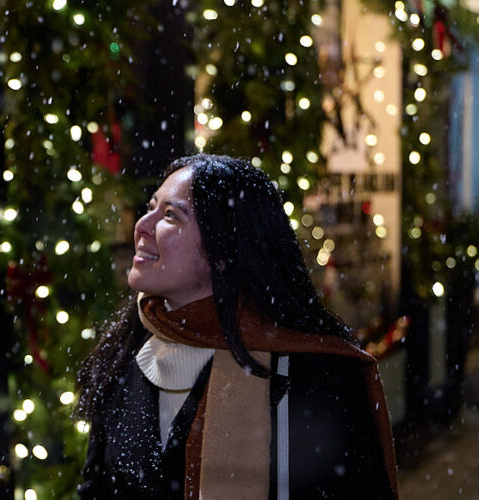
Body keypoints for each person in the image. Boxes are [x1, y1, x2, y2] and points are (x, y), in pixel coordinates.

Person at [74, 154, 398, 499]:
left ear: (223, 252)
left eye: (170, 215)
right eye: (151, 207)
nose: (143, 225)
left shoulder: (317, 372)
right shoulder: (127, 354)